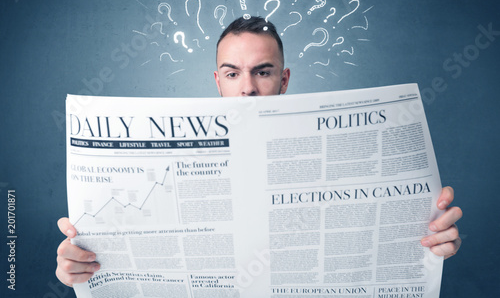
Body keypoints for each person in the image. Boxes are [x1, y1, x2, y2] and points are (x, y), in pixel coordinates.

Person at [56, 16, 463, 287]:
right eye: (233, 73)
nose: (247, 88)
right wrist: (81, 265)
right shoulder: (163, 171)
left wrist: (432, 240)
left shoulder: (337, 157)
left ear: (284, 80)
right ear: (219, 81)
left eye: (262, 71)